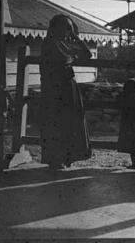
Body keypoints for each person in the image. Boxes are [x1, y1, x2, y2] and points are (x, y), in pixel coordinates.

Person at [39, 14, 92, 169]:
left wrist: (76, 38)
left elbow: (87, 54)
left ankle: (68, 157)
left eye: (69, 28)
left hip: (68, 89)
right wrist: (73, 56)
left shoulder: (65, 44)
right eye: (64, 27)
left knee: (70, 123)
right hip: (55, 91)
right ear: (55, 28)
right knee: (56, 124)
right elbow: (63, 60)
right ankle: (55, 160)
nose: (66, 31)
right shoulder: (49, 43)